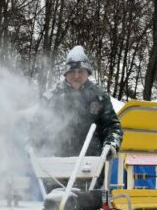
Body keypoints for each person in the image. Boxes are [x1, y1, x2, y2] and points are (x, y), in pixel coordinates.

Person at [41, 46, 123, 177]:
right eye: (72, 71)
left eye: (81, 71)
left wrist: (110, 145)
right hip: (55, 167)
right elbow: (36, 125)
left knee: (89, 197)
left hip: (91, 167)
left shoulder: (99, 96)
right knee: (55, 197)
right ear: (66, 73)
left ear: (88, 72)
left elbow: (112, 126)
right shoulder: (51, 97)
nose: (76, 76)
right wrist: (31, 145)